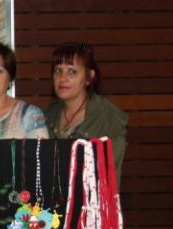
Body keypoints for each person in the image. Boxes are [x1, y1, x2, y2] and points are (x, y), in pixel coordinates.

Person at [43, 42, 128, 183]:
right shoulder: (46, 115)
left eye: (72, 72)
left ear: (89, 77)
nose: (62, 78)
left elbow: (108, 178)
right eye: (58, 71)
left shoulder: (107, 117)